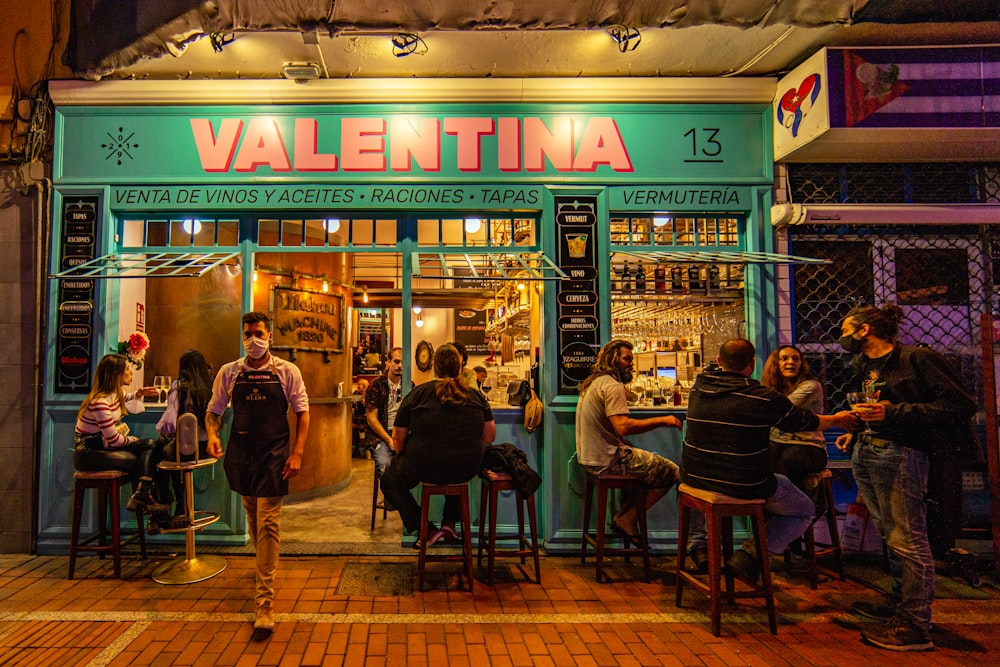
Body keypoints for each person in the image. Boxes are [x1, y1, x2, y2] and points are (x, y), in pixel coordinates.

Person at [834, 304, 975, 652]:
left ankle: (916, 624)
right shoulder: (864, 365)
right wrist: (856, 429)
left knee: (907, 536)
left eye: (845, 330)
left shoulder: (917, 360)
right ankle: (899, 603)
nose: (841, 338)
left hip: (903, 453)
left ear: (863, 330)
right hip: (868, 449)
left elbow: (960, 406)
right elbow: (874, 405)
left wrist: (892, 412)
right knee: (889, 533)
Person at [682, 339, 857, 582]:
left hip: (694, 478)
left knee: (779, 468)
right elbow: (805, 421)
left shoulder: (699, 387)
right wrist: (838, 419)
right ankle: (749, 556)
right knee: (806, 509)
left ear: (719, 361)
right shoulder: (762, 397)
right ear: (752, 364)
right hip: (742, 484)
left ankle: (700, 547)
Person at [206, 311, 310, 639]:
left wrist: (297, 452)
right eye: (248, 333)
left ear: (270, 337)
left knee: (268, 522)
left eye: (259, 333)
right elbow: (214, 411)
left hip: (274, 454)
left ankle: (264, 603)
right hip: (242, 453)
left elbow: (303, 412)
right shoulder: (229, 373)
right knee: (254, 518)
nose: (254, 340)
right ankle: (263, 567)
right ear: (242, 336)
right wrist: (211, 434)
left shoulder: (286, 371)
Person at [380, 343, 495, 546]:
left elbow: (398, 439)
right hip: (466, 468)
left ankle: (425, 528)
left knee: (389, 481)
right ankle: (449, 524)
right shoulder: (476, 395)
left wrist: (406, 456)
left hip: (424, 467)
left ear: (435, 367)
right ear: (459, 367)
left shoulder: (418, 394)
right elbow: (489, 436)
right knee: (454, 465)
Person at [574, 339, 682, 540]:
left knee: (647, 467)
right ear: (613, 359)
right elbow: (622, 427)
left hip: (591, 458)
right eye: (627, 359)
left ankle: (624, 516)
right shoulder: (612, 386)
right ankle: (627, 518)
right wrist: (662, 420)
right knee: (671, 472)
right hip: (606, 460)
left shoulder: (594, 382)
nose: (631, 363)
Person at [73, 354, 170, 514]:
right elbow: (113, 440)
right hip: (89, 453)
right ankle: (148, 498)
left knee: (154, 446)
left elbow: (128, 397)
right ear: (116, 374)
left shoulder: (116, 394)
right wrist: (132, 439)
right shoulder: (100, 402)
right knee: (150, 449)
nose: (131, 371)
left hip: (103, 447)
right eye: (127, 369)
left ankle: (144, 495)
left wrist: (139, 393)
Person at [153, 349, 214, 531]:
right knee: (168, 452)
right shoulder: (209, 388)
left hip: (183, 451)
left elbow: (170, 423)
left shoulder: (178, 386)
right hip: (204, 449)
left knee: (157, 451)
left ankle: (165, 502)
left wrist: (162, 431)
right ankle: (180, 507)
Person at [760, 345, 828, 492]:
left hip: (808, 446)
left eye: (796, 359)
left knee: (788, 458)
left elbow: (779, 409)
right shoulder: (770, 389)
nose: (791, 362)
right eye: (784, 359)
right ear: (776, 364)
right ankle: (770, 510)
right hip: (778, 443)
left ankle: (801, 508)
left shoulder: (811, 386)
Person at [364, 347, 403, 478]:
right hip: (380, 436)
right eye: (396, 362)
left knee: (417, 465)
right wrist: (389, 440)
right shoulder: (376, 385)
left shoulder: (409, 385)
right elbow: (371, 419)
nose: (400, 366)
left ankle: (397, 497)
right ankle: (394, 498)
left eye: (403, 362)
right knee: (385, 467)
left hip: (402, 433)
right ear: (388, 362)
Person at [351, 378, 370, 458]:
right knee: (352, 429)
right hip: (356, 417)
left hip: (364, 417)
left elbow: (368, 408)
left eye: (360, 385)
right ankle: (356, 448)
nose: (358, 386)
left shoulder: (368, 395)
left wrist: (364, 403)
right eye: (358, 384)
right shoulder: (355, 393)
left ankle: (362, 449)